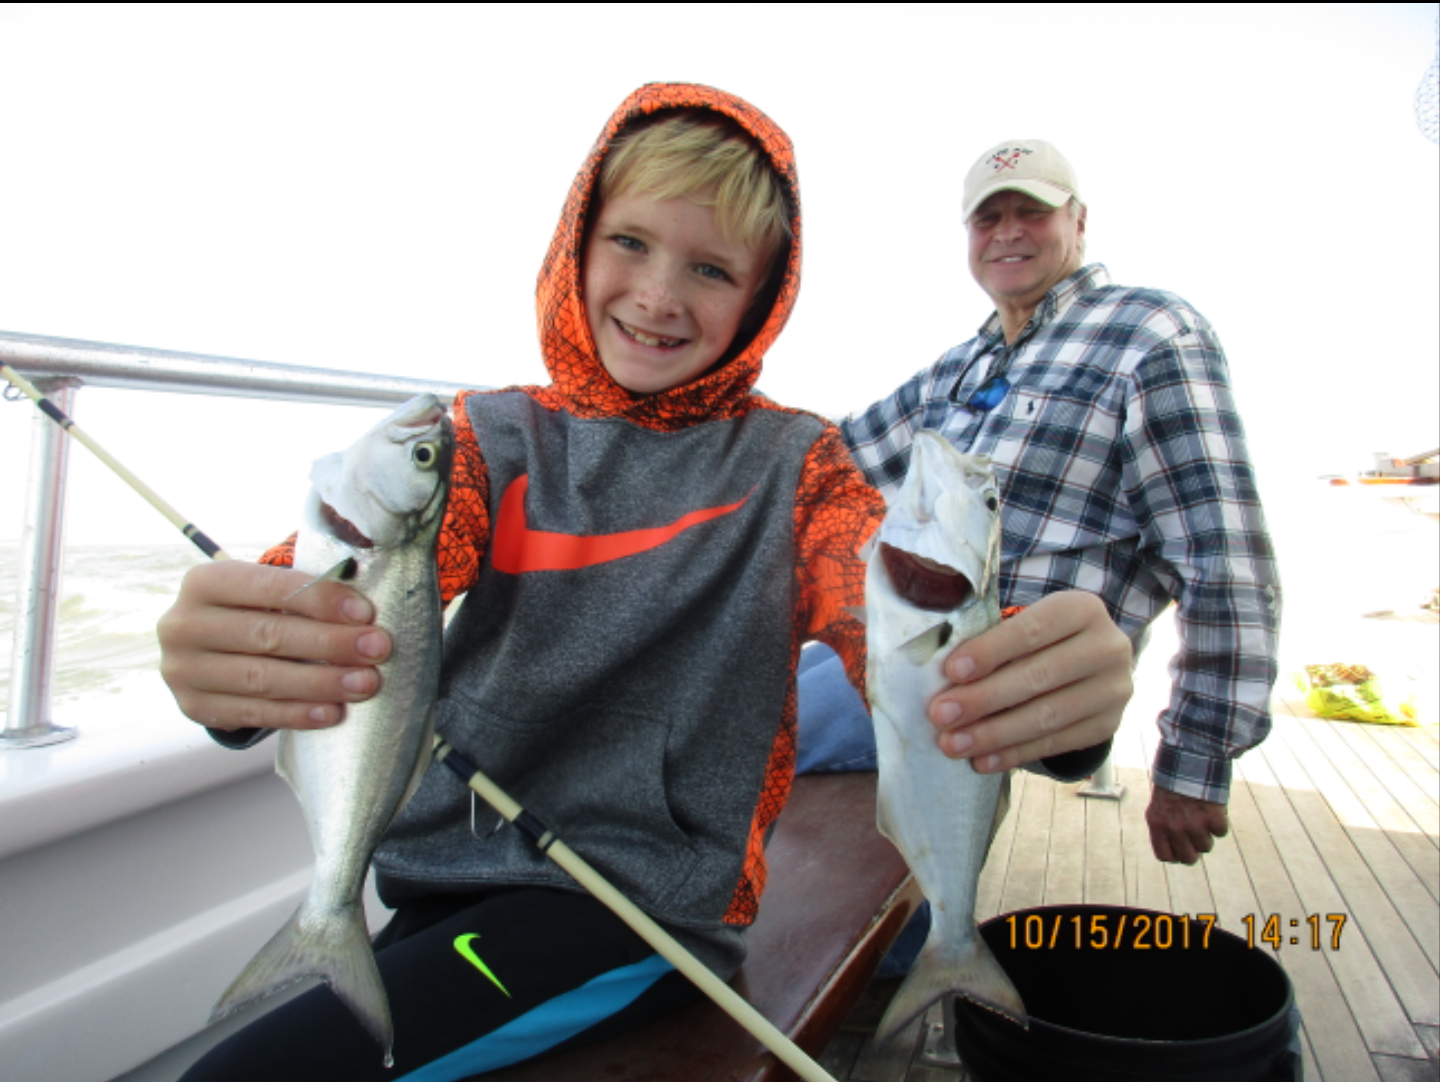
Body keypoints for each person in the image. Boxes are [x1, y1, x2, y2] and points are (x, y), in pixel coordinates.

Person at [157, 93, 1131, 1080]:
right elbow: (343, 592)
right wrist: (243, 653)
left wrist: (1050, 696)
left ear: (761, 296)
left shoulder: (801, 474)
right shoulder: (477, 444)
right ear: (574, 243)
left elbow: (897, 615)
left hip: (631, 920)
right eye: (630, 241)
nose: (661, 296)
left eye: (710, 268)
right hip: (431, 888)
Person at [800, 138, 1282, 870]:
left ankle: (844, 965)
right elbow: (832, 459)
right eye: (988, 219)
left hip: (1016, 681)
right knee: (763, 679)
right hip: (903, 648)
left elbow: (1223, 559)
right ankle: (909, 956)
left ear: (1079, 222)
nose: (1009, 232)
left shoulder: (1150, 335)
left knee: (742, 731)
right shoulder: (963, 364)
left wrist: (1195, 763)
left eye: (1033, 211)